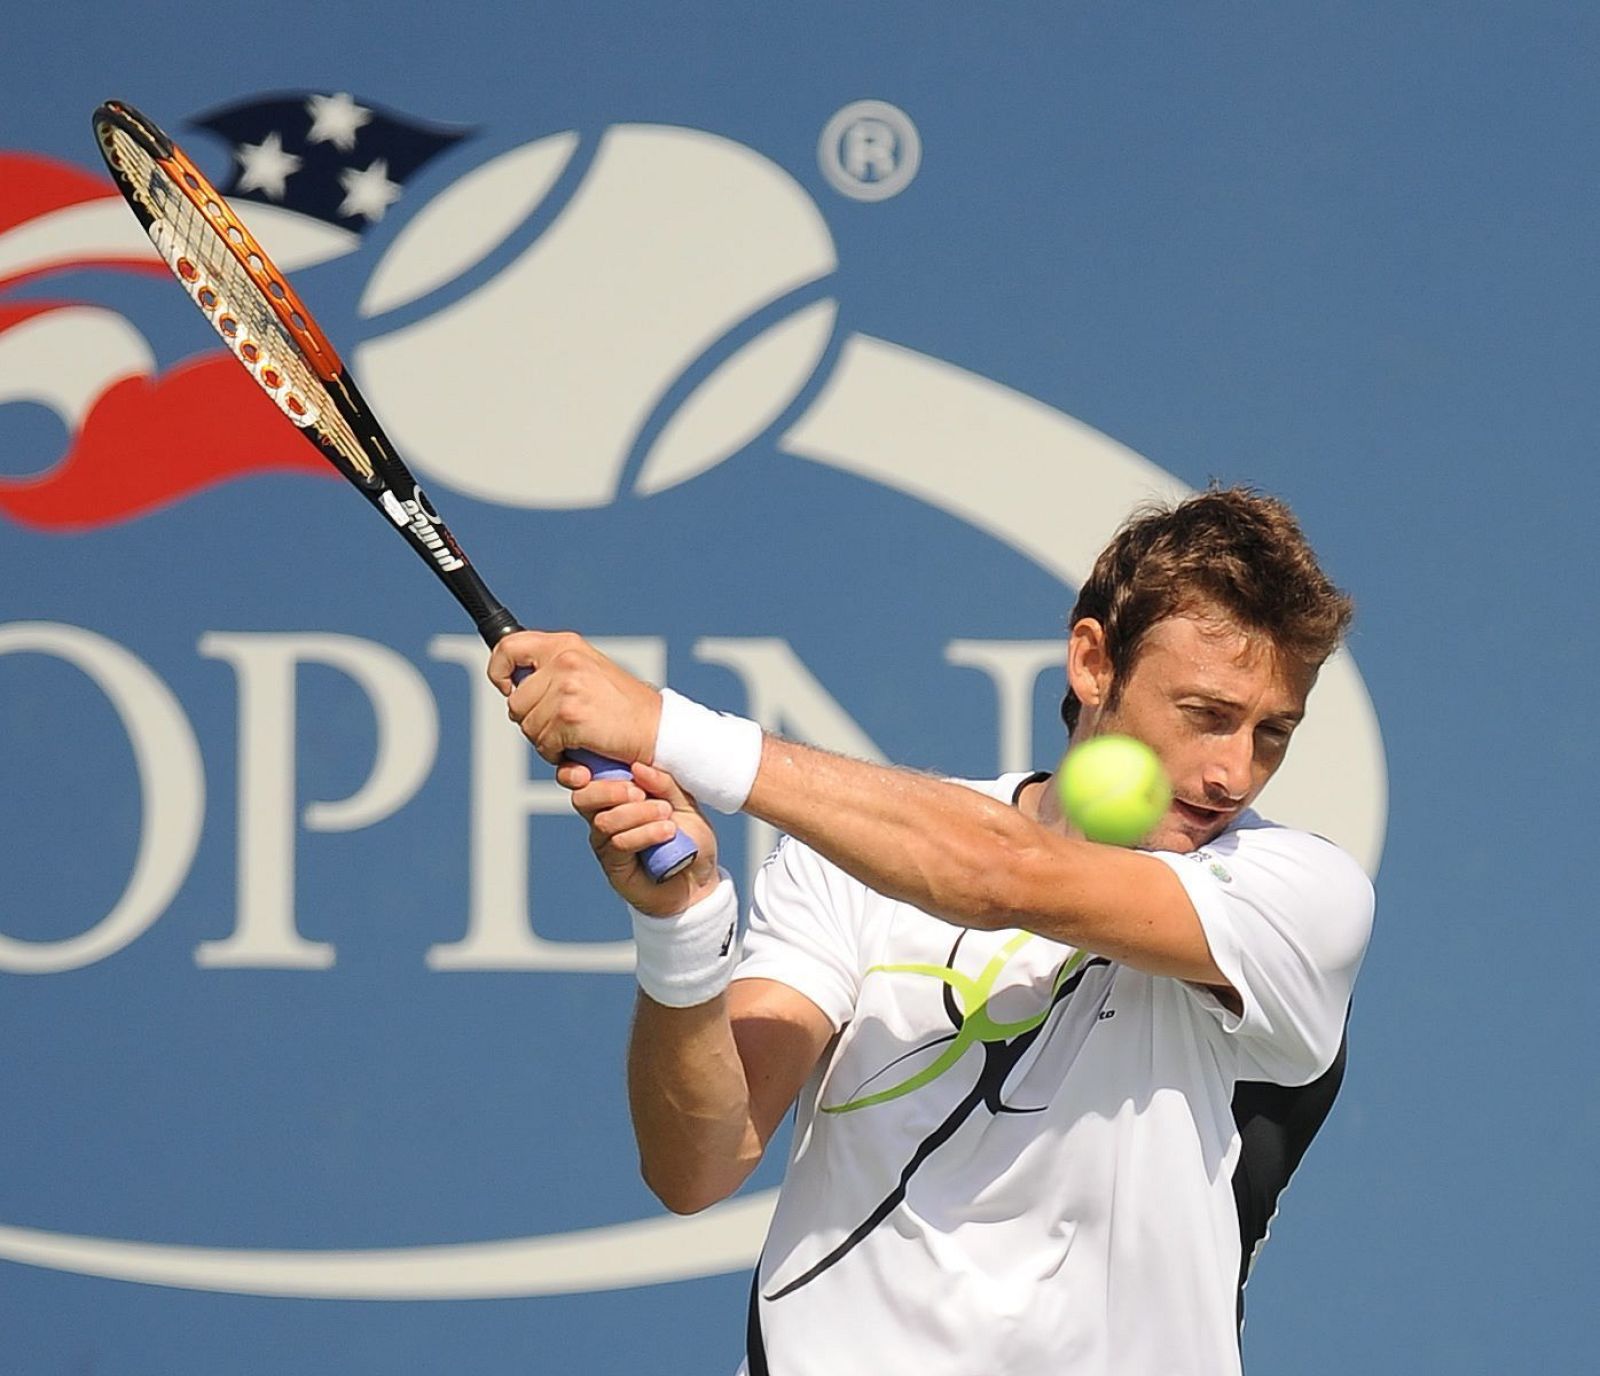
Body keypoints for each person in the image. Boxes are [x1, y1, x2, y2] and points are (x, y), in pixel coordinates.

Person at [488, 486, 1376, 1376]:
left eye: (1272, 734)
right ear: (1093, 662)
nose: (1233, 773)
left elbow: (1003, 873)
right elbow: (699, 1166)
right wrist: (681, 928)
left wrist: (665, 728)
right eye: (1207, 715)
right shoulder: (850, 870)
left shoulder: (1299, 899)